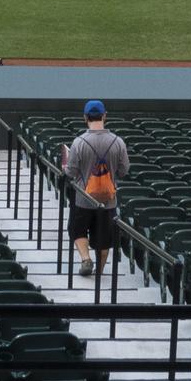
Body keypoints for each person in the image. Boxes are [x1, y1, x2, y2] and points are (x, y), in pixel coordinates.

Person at [64, 100, 127, 279]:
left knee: (78, 230)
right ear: (104, 116)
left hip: (83, 198)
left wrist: (65, 168)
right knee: (104, 241)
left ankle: (85, 259)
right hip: (108, 201)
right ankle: (98, 274)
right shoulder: (118, 141)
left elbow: (71, 171)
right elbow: (124, 171)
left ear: (85, 118)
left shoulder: (79, 142)